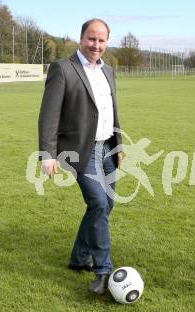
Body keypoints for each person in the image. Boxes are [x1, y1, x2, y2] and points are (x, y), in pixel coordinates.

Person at [38, 18, 123, 295]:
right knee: (98, 203)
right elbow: (49, 115)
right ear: (81, 38)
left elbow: (111, 110)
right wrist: (47, 154)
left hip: (108, 148)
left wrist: (118, 144)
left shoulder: (108, 71)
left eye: (101, 40)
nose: (95, 45)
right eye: (91, 38)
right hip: (80, 151)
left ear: (106, 42)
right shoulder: (63, 69)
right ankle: (103, 269)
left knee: (105, 206)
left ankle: (78, 259)